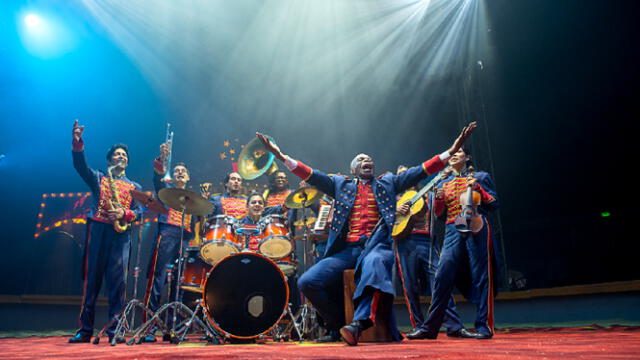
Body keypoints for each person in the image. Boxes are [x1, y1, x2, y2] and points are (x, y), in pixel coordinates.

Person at [255, 122, 476, 346]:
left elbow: (423, 169)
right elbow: (310, 174)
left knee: (375, 263)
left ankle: (359, 324)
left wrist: (452, 150)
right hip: (348, 250)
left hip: (378, 245)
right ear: (353, 170)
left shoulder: (389, 182)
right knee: (308, 281)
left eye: (368, 158)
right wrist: (280, 155)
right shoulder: (339, 184)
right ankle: (338, 324)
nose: (366, 160)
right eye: (360, 159)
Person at [407, 147, 499, 340]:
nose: (454, 155)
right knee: (442, 275)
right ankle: (430, 327)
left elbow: (493, 203)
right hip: (453, 226)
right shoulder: (444, 182)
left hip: (476, 223)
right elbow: (440, 215)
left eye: (459, 153)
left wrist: (478, 189)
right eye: (452, 154)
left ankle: (484, 326)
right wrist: (438, 200)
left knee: (481, 275)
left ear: (467, 157)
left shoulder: (480, 176)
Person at [68, 120, 141, 344]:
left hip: (121, 236)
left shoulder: (134, 186)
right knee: (92, 281)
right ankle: (86, 329)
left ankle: (115, 329)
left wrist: (125, 215)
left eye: (124, 155)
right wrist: (78, 143)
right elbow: (80, 167)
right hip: (98, 230)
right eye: (117, 154)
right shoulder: (99, 178)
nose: (121, 156)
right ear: (110, 160)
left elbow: (141, 211)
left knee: (118, 284)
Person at [394, 165, 472, 338]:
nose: (407, 179)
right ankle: (419, 326)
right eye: (402, 176)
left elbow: (441, 213)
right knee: (410, 286)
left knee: (440, 281)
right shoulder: (395, 199)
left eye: (409, 175)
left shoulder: (429, 194)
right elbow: (383, 218)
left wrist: (439, 196)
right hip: (404, 243)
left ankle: (454, 326)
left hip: (427, 241)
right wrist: (394, 211)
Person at [141, 142, 194, 342]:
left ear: (188, 177)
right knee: (159, 281)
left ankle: (173, 327)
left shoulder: (193, 198)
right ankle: (150, 327)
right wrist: (162, 159)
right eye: (177, 170)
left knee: (179, 284)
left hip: (185, 240)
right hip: (167, 236)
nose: (180, 173)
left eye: (183, 171)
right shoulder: (166, 190)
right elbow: (157, 178)